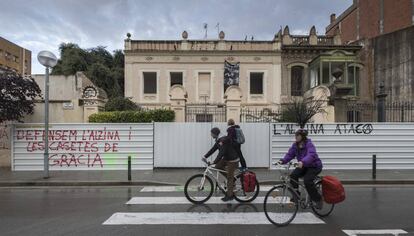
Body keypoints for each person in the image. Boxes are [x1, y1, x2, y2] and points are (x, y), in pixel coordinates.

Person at [278, 128, 324, 209]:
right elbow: (290, 155)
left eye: (297, 135)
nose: (295, 137)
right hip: (304, 166)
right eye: (295, 135)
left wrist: (302, 162)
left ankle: (318, 199)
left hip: (314, 166)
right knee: (293, 176)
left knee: (307, 181)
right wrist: (282, 161)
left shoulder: (309, 144)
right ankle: (297, 194)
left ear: (302, 136)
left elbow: (311, 155)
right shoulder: (295, 145)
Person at [203, 127, 239, 202]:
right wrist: (205, 156)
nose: (210, 135)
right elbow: (213, 149)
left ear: (215, 134)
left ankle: (230, 195)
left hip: (232, 160)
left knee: (229, 177)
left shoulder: (223, 140)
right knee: (218, 167)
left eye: (211, 133)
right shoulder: (219, 140)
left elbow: (221, 153)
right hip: (227, 158)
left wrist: (214, 161)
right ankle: (232, 179)